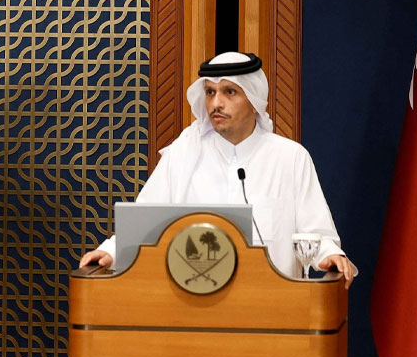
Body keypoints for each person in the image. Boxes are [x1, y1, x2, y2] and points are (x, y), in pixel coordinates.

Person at [79, 52, 357, 287]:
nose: (216, 103)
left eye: (229, 92)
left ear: (253, 101)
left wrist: (330, 255)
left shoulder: (290, 157)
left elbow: (315, 234)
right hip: (194, 303)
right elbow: (145, 222)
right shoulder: (183, 154)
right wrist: (111, 252)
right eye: (210, 92)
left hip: (269, 307)